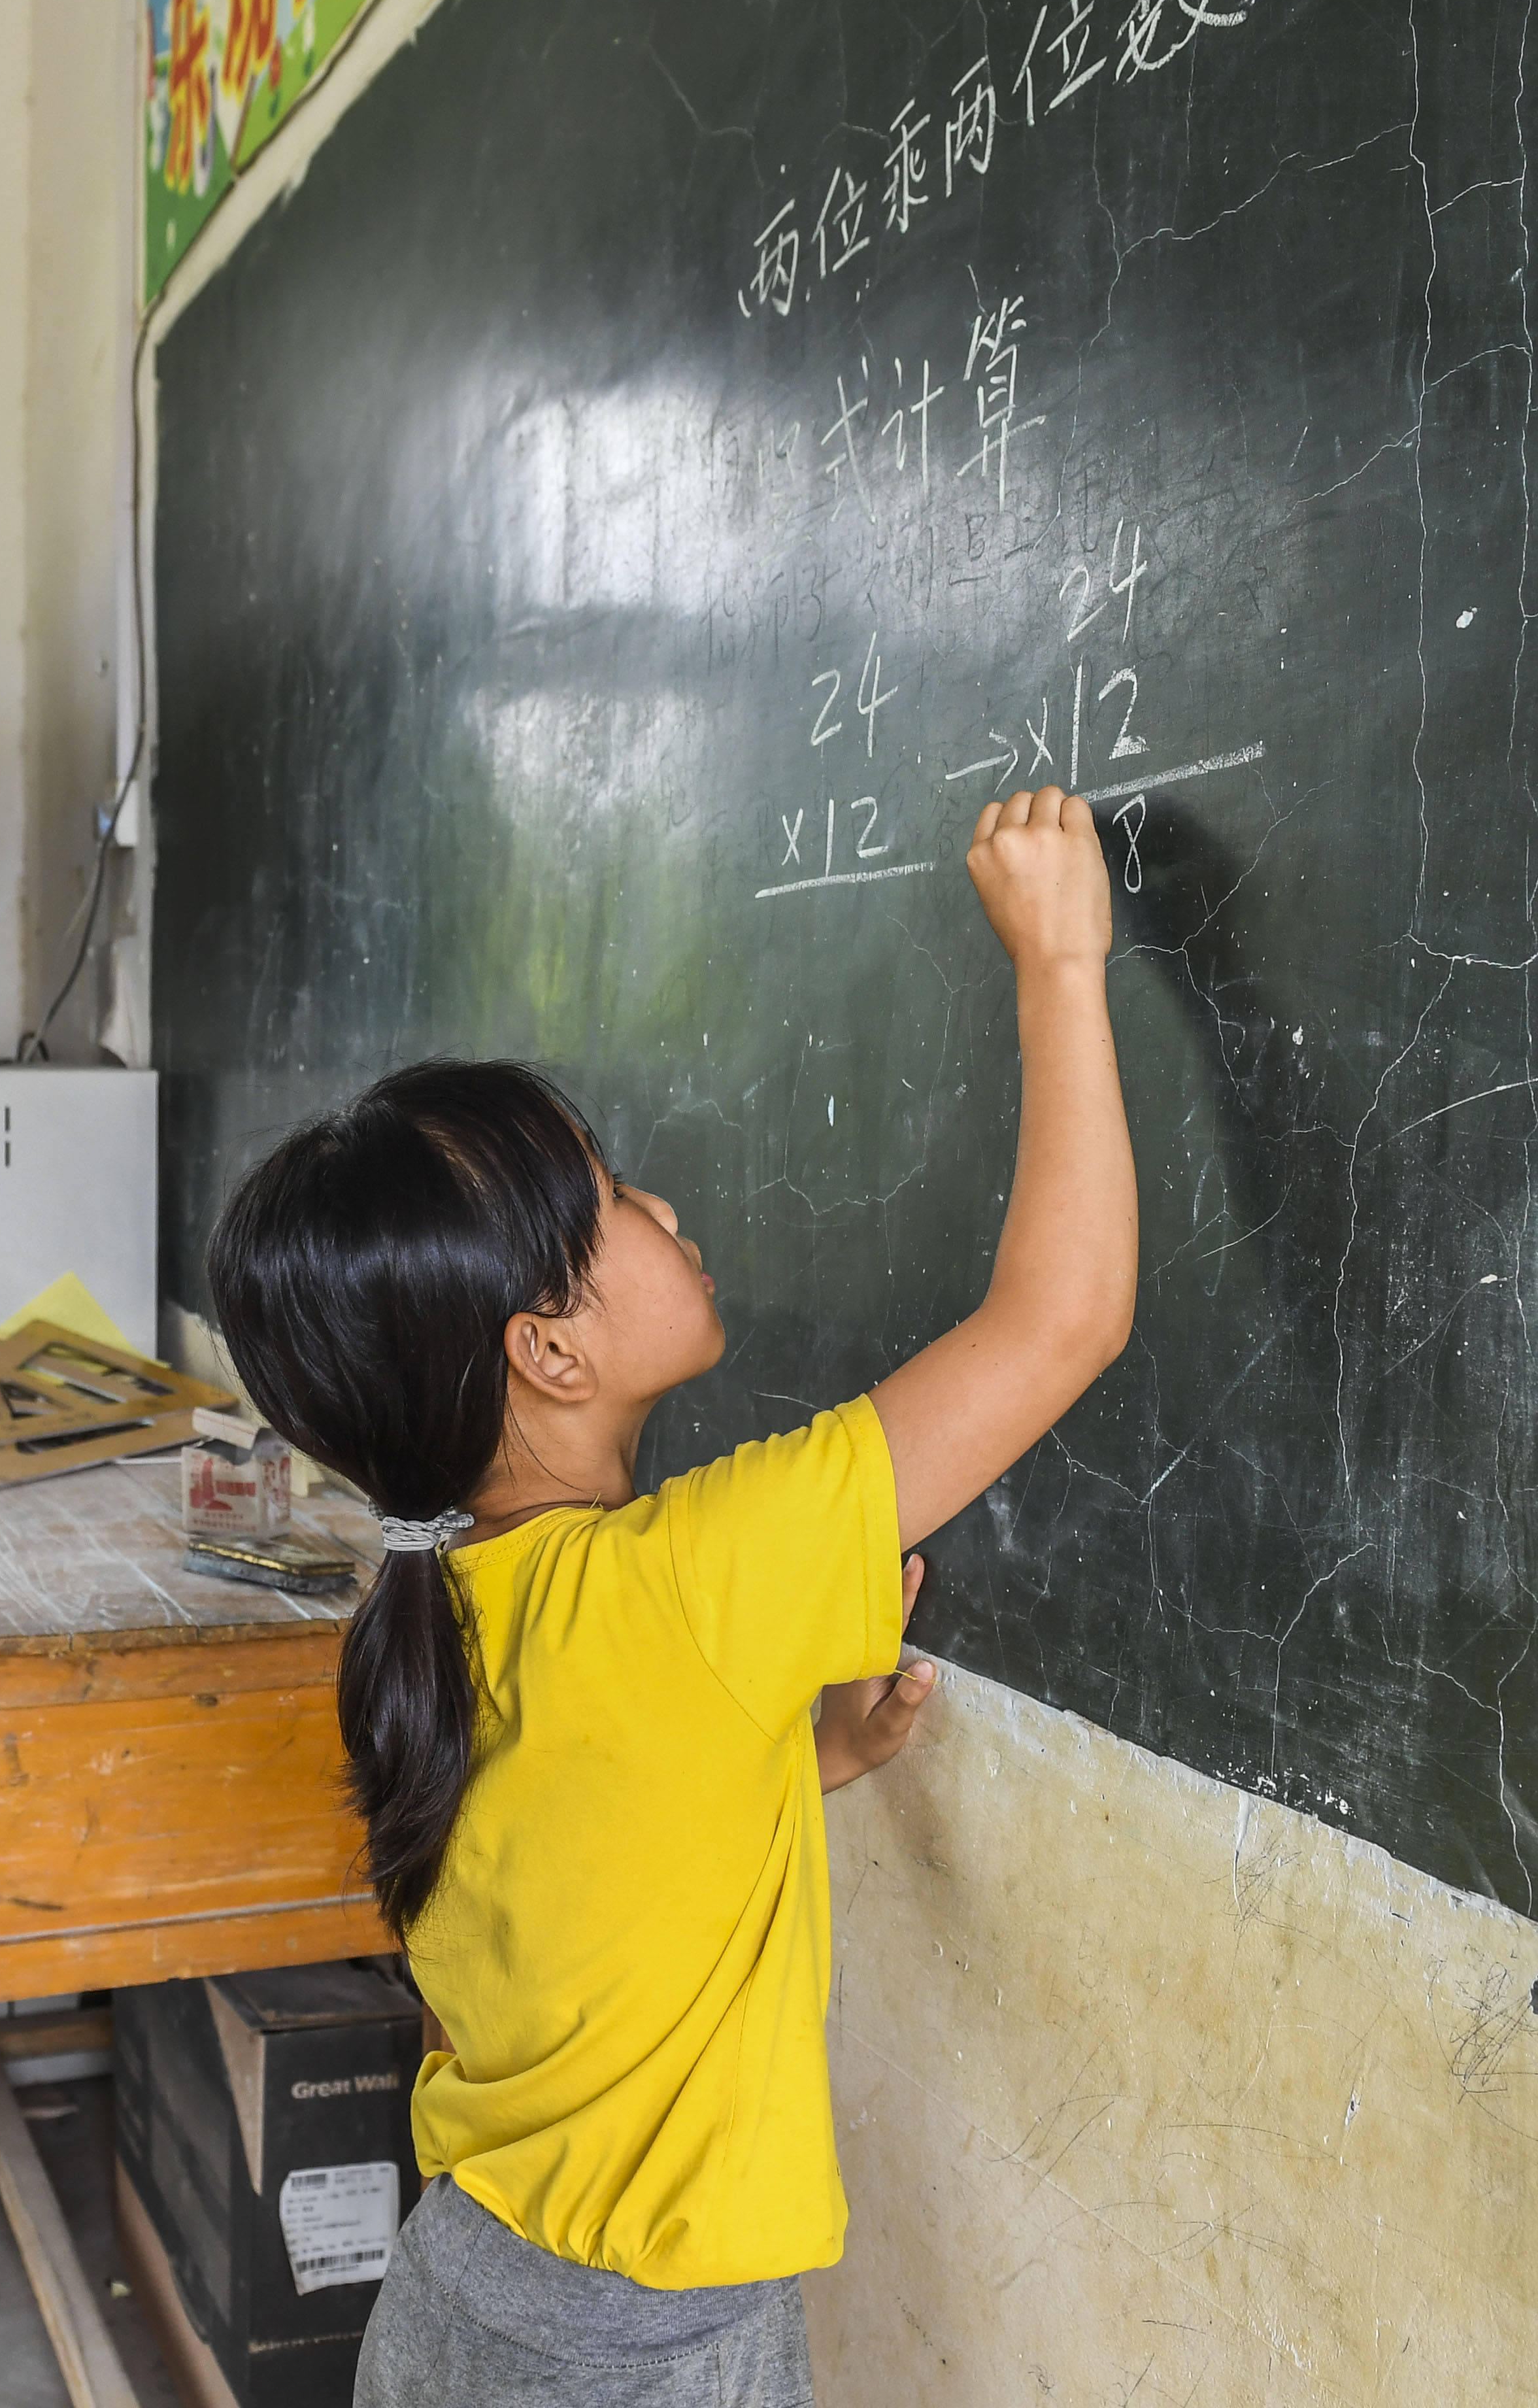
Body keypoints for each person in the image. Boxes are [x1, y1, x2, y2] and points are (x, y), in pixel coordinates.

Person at [204, 786, 1137, 2405]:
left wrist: (786, 1763)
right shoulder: (697, 1579)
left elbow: (557, 1885)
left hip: (461, 2304)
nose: (668, 1208)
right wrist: (1061, 961)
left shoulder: (428, 1605)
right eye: (617, 1199)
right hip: (641, 2355)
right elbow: (1061, 1320)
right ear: (547, 1349)